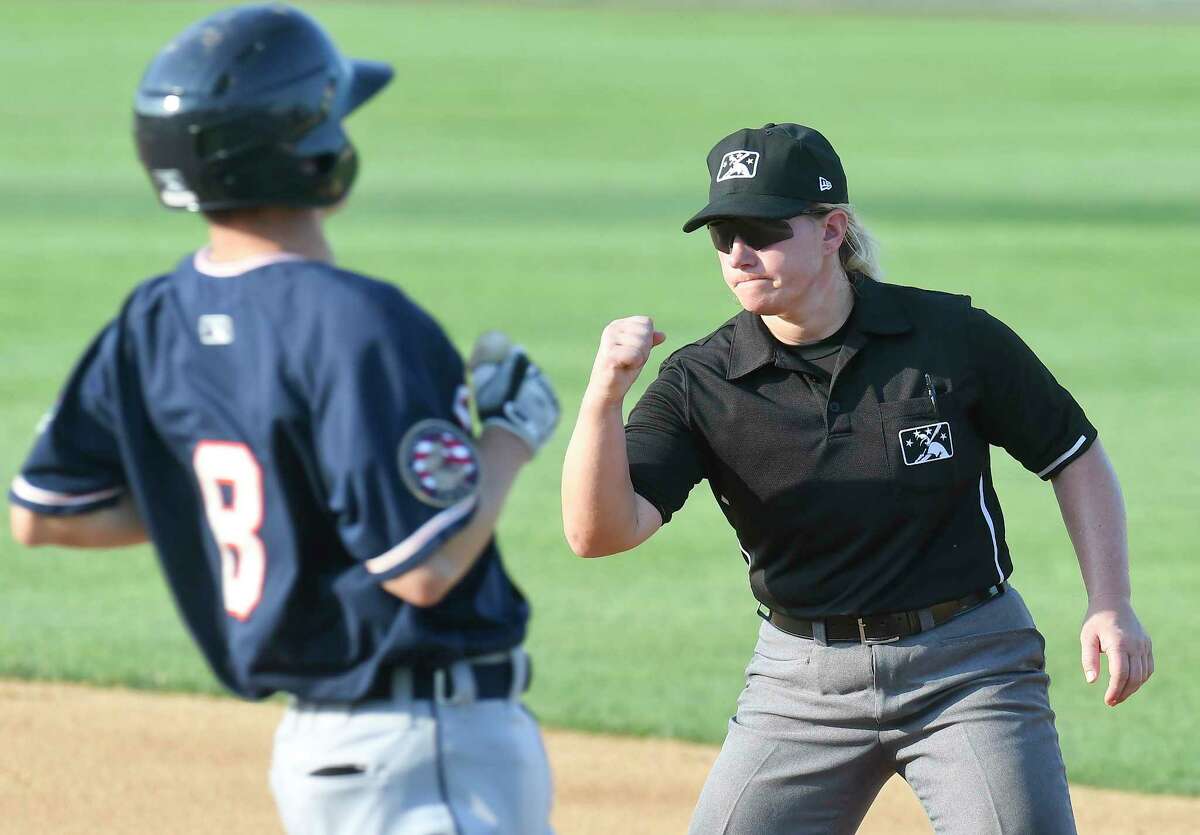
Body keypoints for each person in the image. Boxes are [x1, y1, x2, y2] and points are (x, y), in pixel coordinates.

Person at [8, 6, 558, 834]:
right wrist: (511, 434)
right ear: (316, 156)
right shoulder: (358, 322)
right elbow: (427, 568)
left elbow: (45, 514)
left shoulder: (152, 319)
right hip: (426, 744)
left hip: (316, 753)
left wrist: (275, 500)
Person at [561, 122, 1153, 834]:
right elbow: (600, 533)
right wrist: (602, 399)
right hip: (799, 684)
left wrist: (1110, 601)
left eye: (763, 230)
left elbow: (1073, 454)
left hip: (968, 669)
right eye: (723, 237)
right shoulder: (702, 381)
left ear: (832, 228)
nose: (740, 254)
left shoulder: (950, 338)